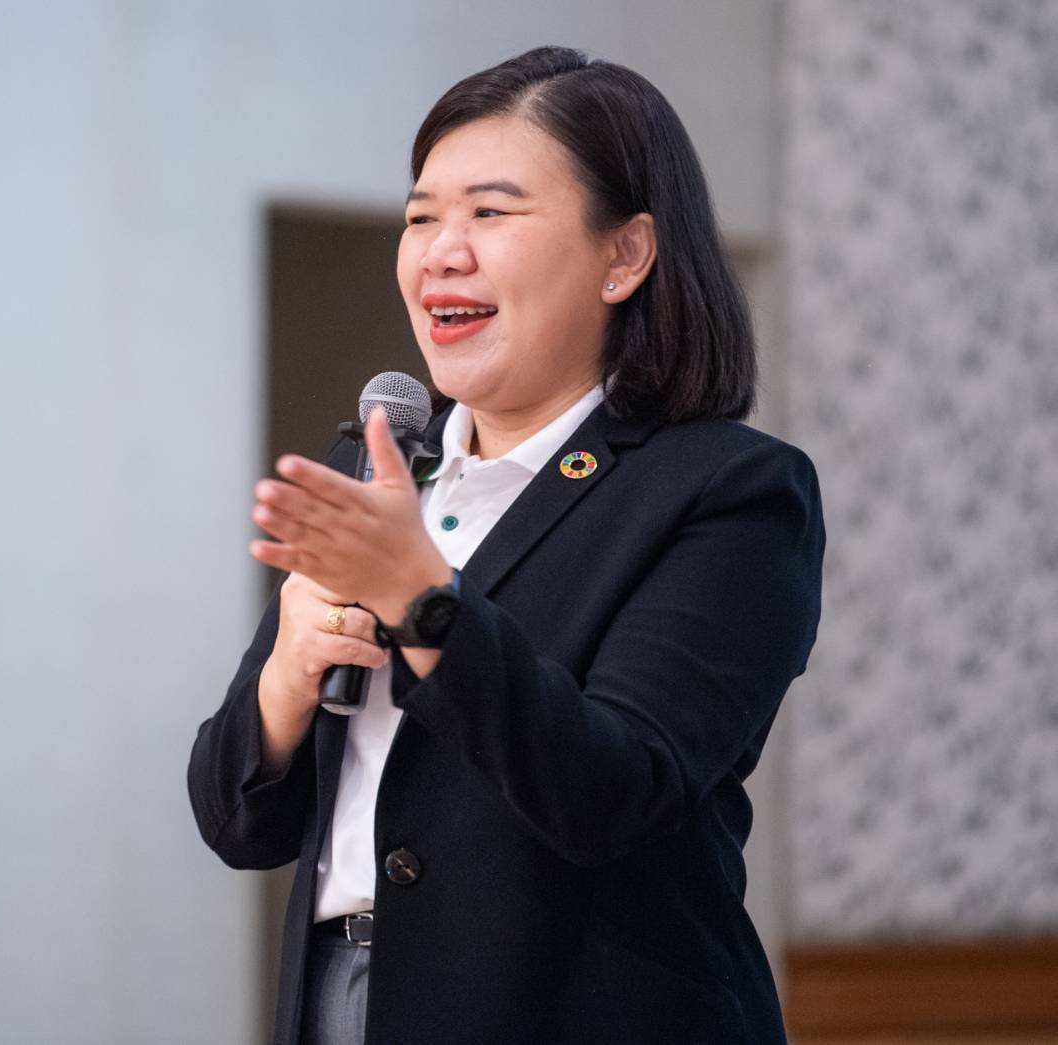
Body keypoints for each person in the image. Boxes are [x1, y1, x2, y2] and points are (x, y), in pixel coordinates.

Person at [187, 46, 823, 1045]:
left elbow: (611, 793)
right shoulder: (379, 469)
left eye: (489, 212)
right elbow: (237, 822)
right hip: (342, 998)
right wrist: (285, 678)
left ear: (625, 256)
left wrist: (422, 603)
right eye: (420, 217)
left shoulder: (729, 492)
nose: (441, 252)